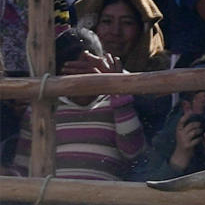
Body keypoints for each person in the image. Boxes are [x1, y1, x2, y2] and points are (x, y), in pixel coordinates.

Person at [11, 28, 146, 181]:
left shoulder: (115, 103)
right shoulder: (43, 110)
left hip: (104, 200)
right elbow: (23, 166)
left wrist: (118, 91)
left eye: (86, 76)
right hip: (55, 201)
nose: (79, 86)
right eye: (70, 78)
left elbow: (133, 151)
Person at [73, 0, 174, 142]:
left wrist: (117, 81)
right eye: (107, 21)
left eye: (127, 23)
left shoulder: (163, 76)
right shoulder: (74, 69)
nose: (115, 31)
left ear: (142, 30)